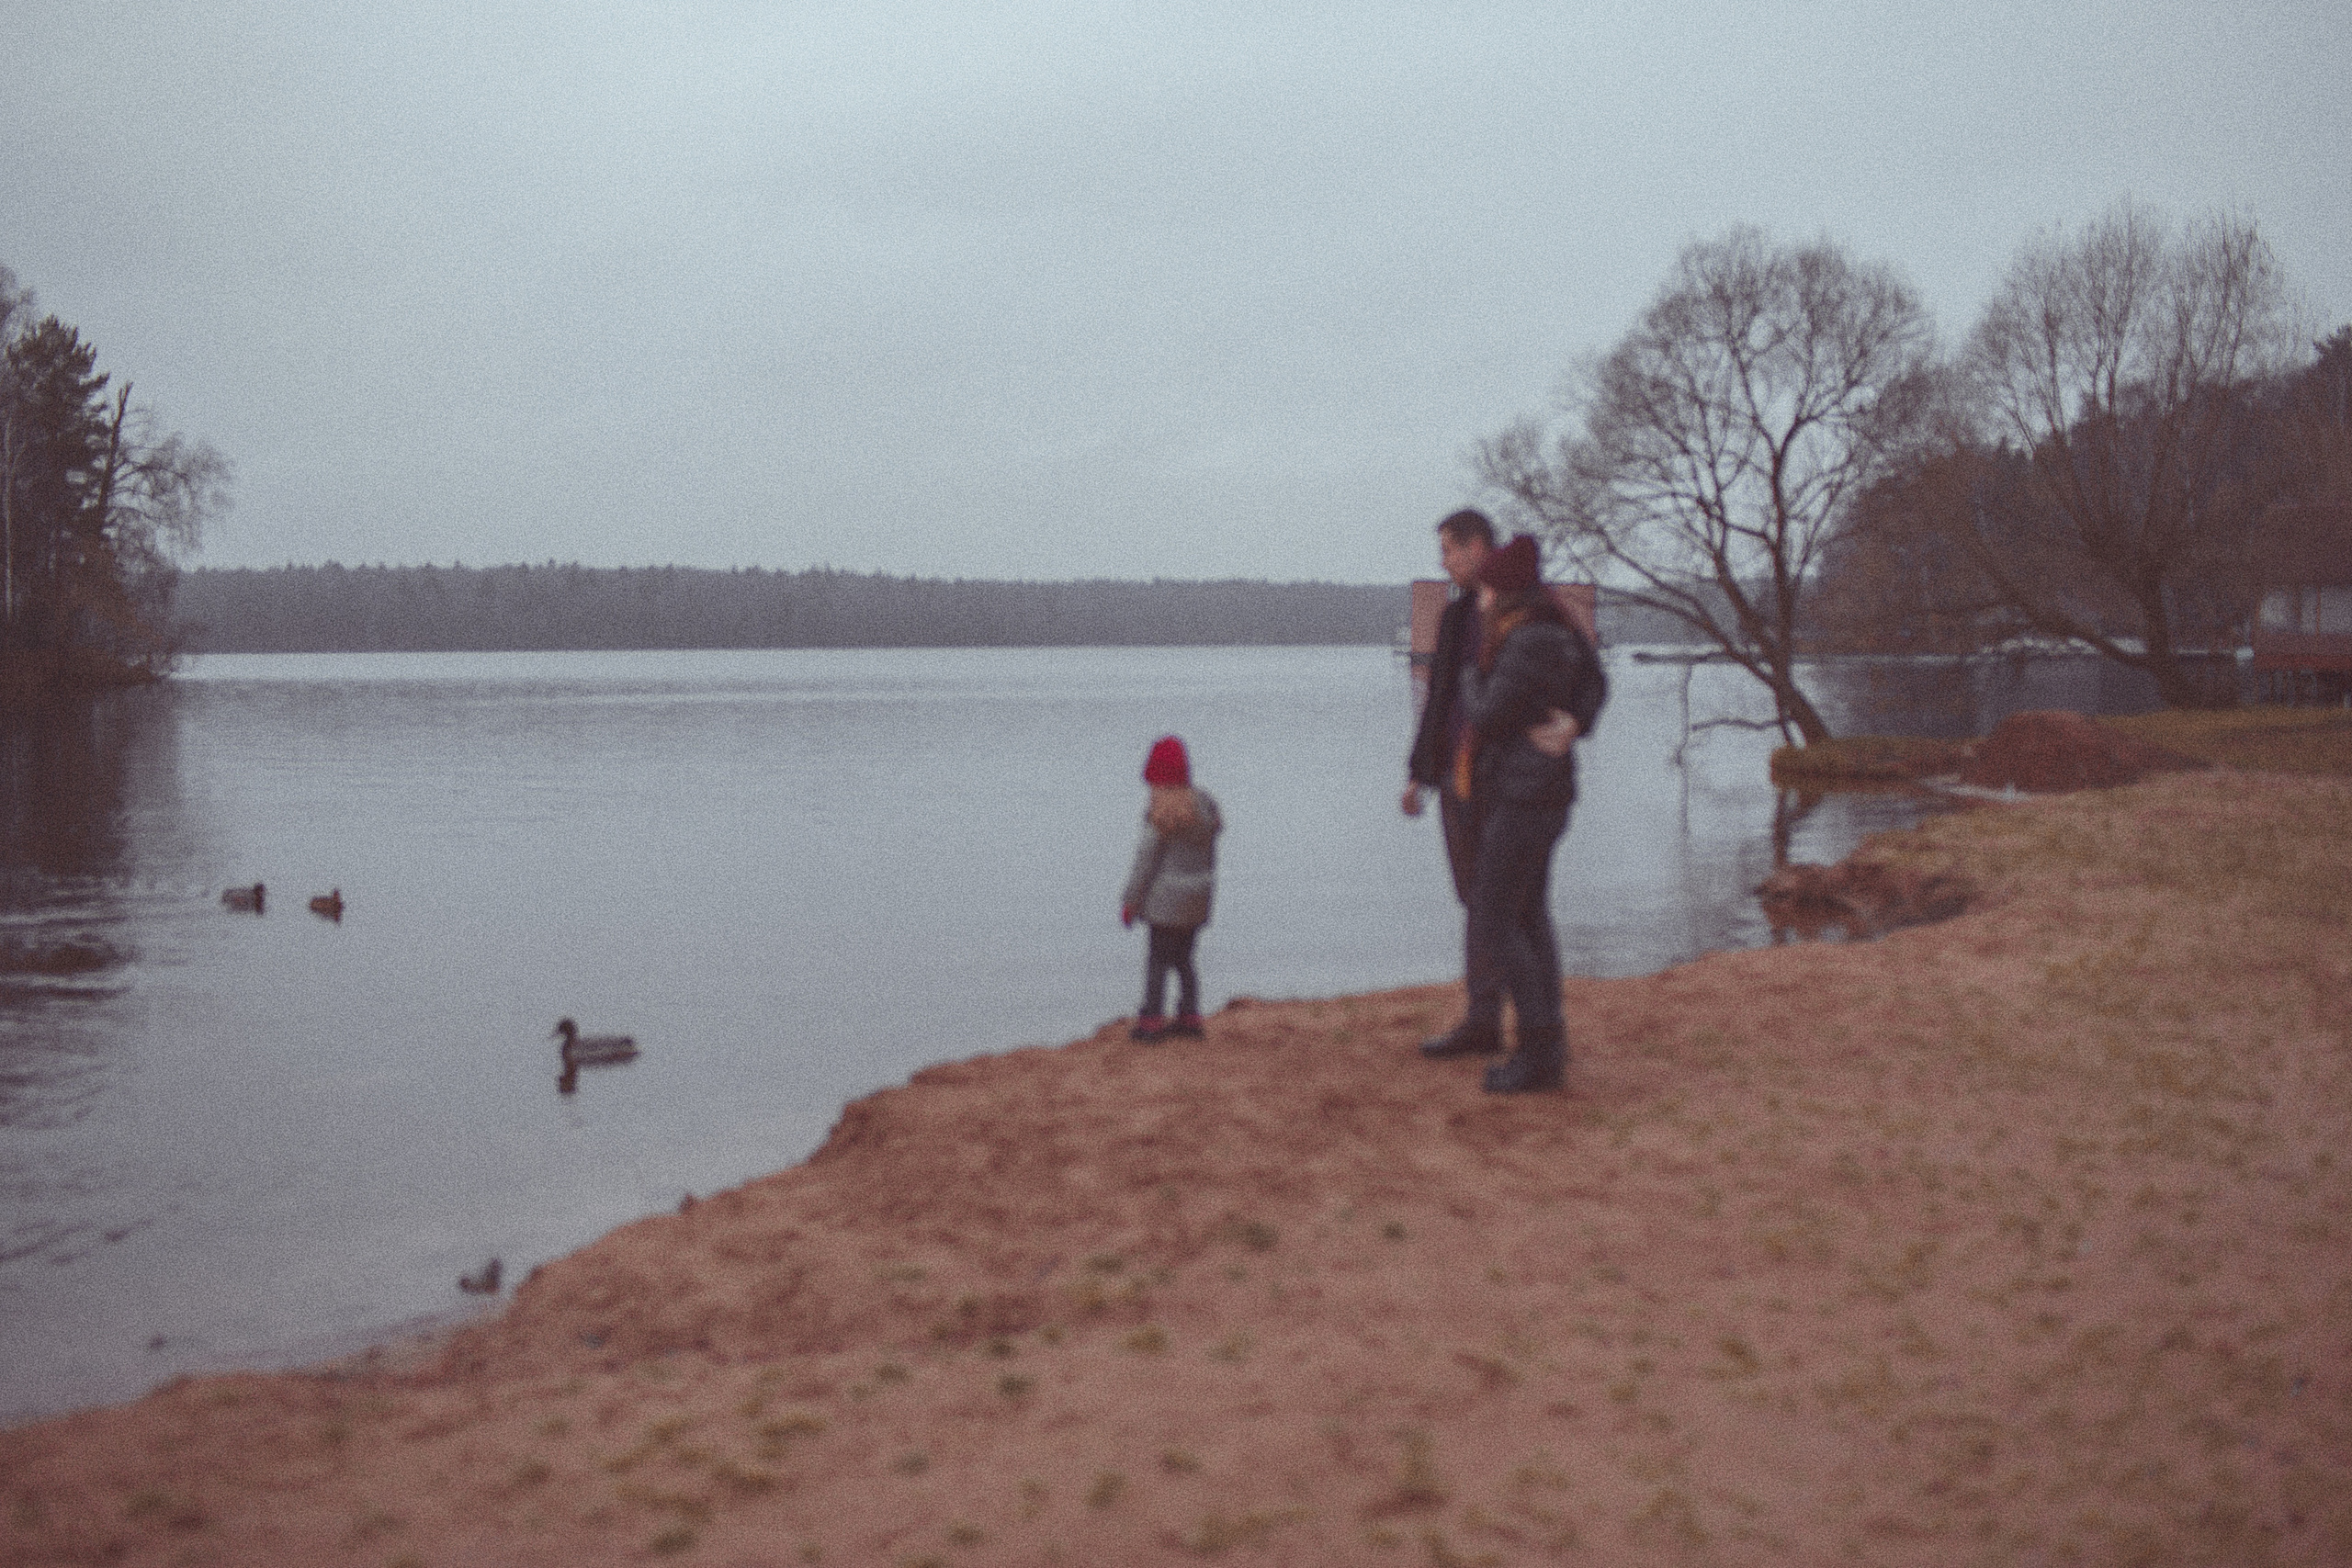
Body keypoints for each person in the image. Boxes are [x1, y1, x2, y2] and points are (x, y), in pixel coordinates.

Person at [1439, 533, 1607, 1092]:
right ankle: (1547, 1043)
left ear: (1504, 592)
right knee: (1529, 913)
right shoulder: (1556, 629)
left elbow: (1486, 714)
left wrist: (1469, 675)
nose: (1480, 600)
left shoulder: (1527, 639)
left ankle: (1540, 1050)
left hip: (1525, 794)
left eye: (1486, 590)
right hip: (1536, 790)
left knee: (1494, 915)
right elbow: (1597, 682)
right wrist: (1574, 722)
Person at [1119, 735, 1223, 1043]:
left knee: (1157, 962)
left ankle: (1151, 1021)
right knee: (1185, 959)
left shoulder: (1160, 817)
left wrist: (1130, 901)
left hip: (1165, 905)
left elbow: (1144, 865)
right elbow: (1208, 860)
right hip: (1197, 901)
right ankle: (1190, 1017)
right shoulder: (1205, 810)